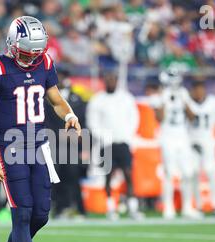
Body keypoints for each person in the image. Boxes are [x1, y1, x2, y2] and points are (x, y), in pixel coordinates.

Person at [0, 16, 81, 242]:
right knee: (21, 214)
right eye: (26, 53)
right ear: (12, 44)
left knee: (41, 215)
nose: (32, 59)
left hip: (38, 146)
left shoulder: (45, 64)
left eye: (37, 53)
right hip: (9, 148)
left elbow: (56, 100)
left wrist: (69, 115)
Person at [87, 72, 143, 220]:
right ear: (104, 80)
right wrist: (103, 137)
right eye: (108, 78)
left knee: (128, 174)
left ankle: (133, 208)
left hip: (123, 142)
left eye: (113, 78)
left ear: (117, 80)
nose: (110, 81)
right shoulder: (97, 99)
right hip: (107, 143)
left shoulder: (126, 98)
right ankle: (111, 208)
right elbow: (93, 122)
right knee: (108, 176)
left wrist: (127, 135)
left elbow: (134, 117)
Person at [151, 69, 202, 219]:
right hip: (167, 137)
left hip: (183, 137)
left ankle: (187, 207)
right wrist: (164, 100)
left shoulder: (183, 93)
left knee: (188, 173)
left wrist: (184, 101)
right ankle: (168, 207)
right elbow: (159, 118)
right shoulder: (161, 96)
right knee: (169, 173)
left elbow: (192, 117)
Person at [45, 67, 88, 219]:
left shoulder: (77, 99)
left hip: (72, 146)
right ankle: (53, 208)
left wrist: (84, 145)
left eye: (63, 76)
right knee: (52, 176)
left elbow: (84, 123)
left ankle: (74, 207)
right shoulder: (45, 99)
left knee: (72, 177)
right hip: (52, 143)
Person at [186, 80, 215, 215]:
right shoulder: (188, 104)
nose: (198, 93)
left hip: (208, 142)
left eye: (200, 90)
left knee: (211, 173)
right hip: (193, 143)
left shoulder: (213, 103)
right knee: (194, 174)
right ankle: (198, 205)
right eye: (196, 90)